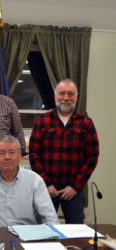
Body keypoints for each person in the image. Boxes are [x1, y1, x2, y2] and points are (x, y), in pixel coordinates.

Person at [29, 79, 99, 224]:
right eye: (62, 93)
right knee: (42, 233)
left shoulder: (86, 123)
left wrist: (75, 187)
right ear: (55, 96)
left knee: (77, 234)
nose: (66, 97)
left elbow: (92, 157)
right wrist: (46, 184)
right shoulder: (42, 121)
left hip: (74, 191)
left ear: (76, 97)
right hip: (46, 190)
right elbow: (34, 155)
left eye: (70, 94)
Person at [0, 135, 59, 227]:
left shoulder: (34, 181)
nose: (7, 157)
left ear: (20, 156)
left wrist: (54, 237)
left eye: (12, 152)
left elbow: (49, 216)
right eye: (2, 153)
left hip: (28, 236)